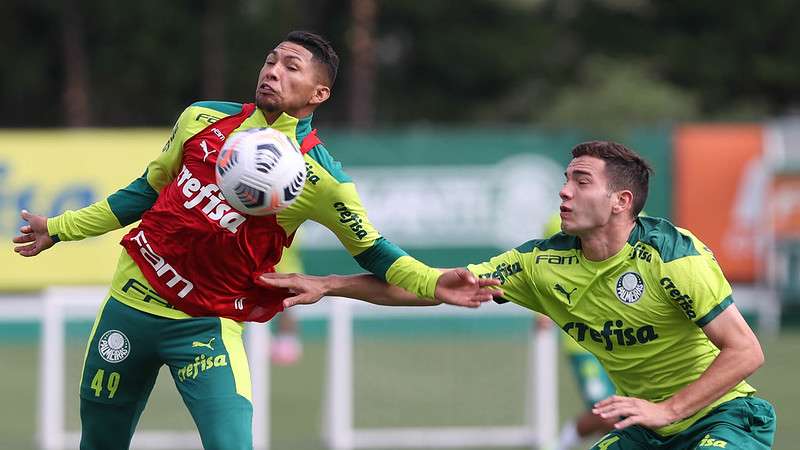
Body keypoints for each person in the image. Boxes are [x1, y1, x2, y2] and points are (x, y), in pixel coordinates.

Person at [12, 31, 499, 450]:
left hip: (205, 327)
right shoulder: (201, 119)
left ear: (319, 93)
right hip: (130, 305)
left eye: (292, 67)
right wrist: (58, 229)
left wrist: (435, 282)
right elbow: (142, 193)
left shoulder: (321, 179)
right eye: (271, 60)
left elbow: (378, 254)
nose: (273, 71)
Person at [260, 141, 776, 449]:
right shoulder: (538, 263)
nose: (564, 192)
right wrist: (328, 286)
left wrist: (669, 409)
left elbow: (746, 350)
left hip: (722, 414)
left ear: (621, 201)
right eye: (564, 180)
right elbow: (433, 286)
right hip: (648, 429)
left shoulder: (675, 254)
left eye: (580, 181)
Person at [539, 213, 616, 450]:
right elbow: (543, 269)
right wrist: (542, 310)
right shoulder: (556, 223)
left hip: (624, 341)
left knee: (622, 414)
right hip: (583, 342)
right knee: (605, 412)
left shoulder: (638, 220)